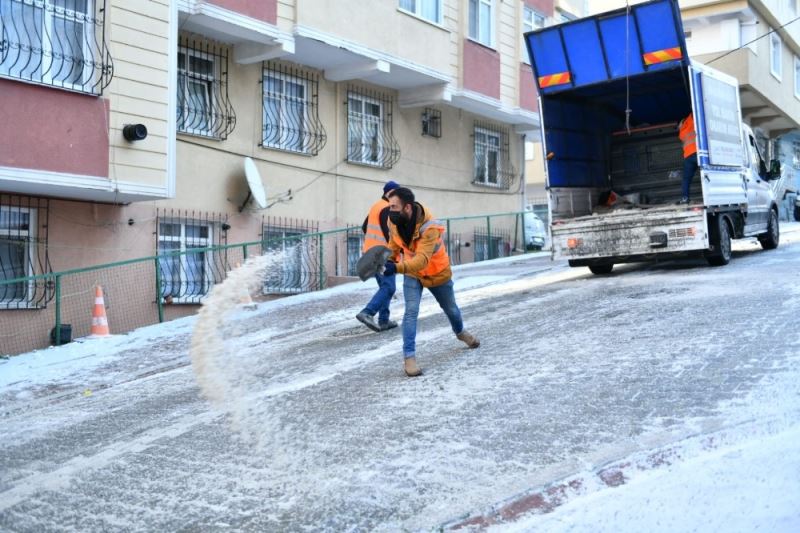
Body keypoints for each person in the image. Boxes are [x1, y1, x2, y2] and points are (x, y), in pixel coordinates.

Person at [382, 187, 480, 377]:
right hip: (413, 274)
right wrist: (389, 260)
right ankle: (409, 358)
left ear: (407, 207)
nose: (390, 210)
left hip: (437, 272)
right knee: (410, 312)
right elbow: (394, 244)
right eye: (389, 205)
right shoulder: (393, 220)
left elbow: (422, 260)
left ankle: (461, 332)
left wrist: (397, 268)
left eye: (394, 206)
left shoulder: (430, 227)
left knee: (451, 309)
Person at [355, 180, 401, 332]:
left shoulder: (376, 206)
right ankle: (367, 313)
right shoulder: (387, 208)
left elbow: (364, 227)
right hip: (382, 253)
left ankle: (383, 321)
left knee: (385, 287)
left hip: (372, 252)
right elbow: (389, 233)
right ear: (388, 193)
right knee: (389, 286)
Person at [678, 112, 698, 204]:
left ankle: (685, 198)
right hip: (698, 153)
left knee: (686, 179)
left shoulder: (681, 133)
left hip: (688, 157)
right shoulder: (690, 121)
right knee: (706, 175)